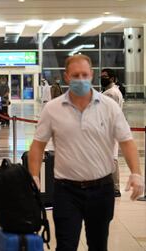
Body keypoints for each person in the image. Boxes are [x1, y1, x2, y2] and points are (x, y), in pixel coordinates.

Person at [28, 54, 144, 251]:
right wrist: (34, 176)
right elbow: (37, 145)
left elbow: (127, 141)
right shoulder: (52, 109)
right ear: (66, 77)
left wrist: (136, 172)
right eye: (75, 75)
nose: (80, 79)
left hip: (101, 189)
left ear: (91, 75)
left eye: (84, 74)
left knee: (98, 245)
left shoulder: (109, 107)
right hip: (66, 190)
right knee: (66, 245)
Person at [101, 68, 124, 197]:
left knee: (112, 158)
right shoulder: (110, 91)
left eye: (105, 76)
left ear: (112, 78)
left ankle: (115, 188)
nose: (102, 78)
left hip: (110, 130)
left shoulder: (111, 93)